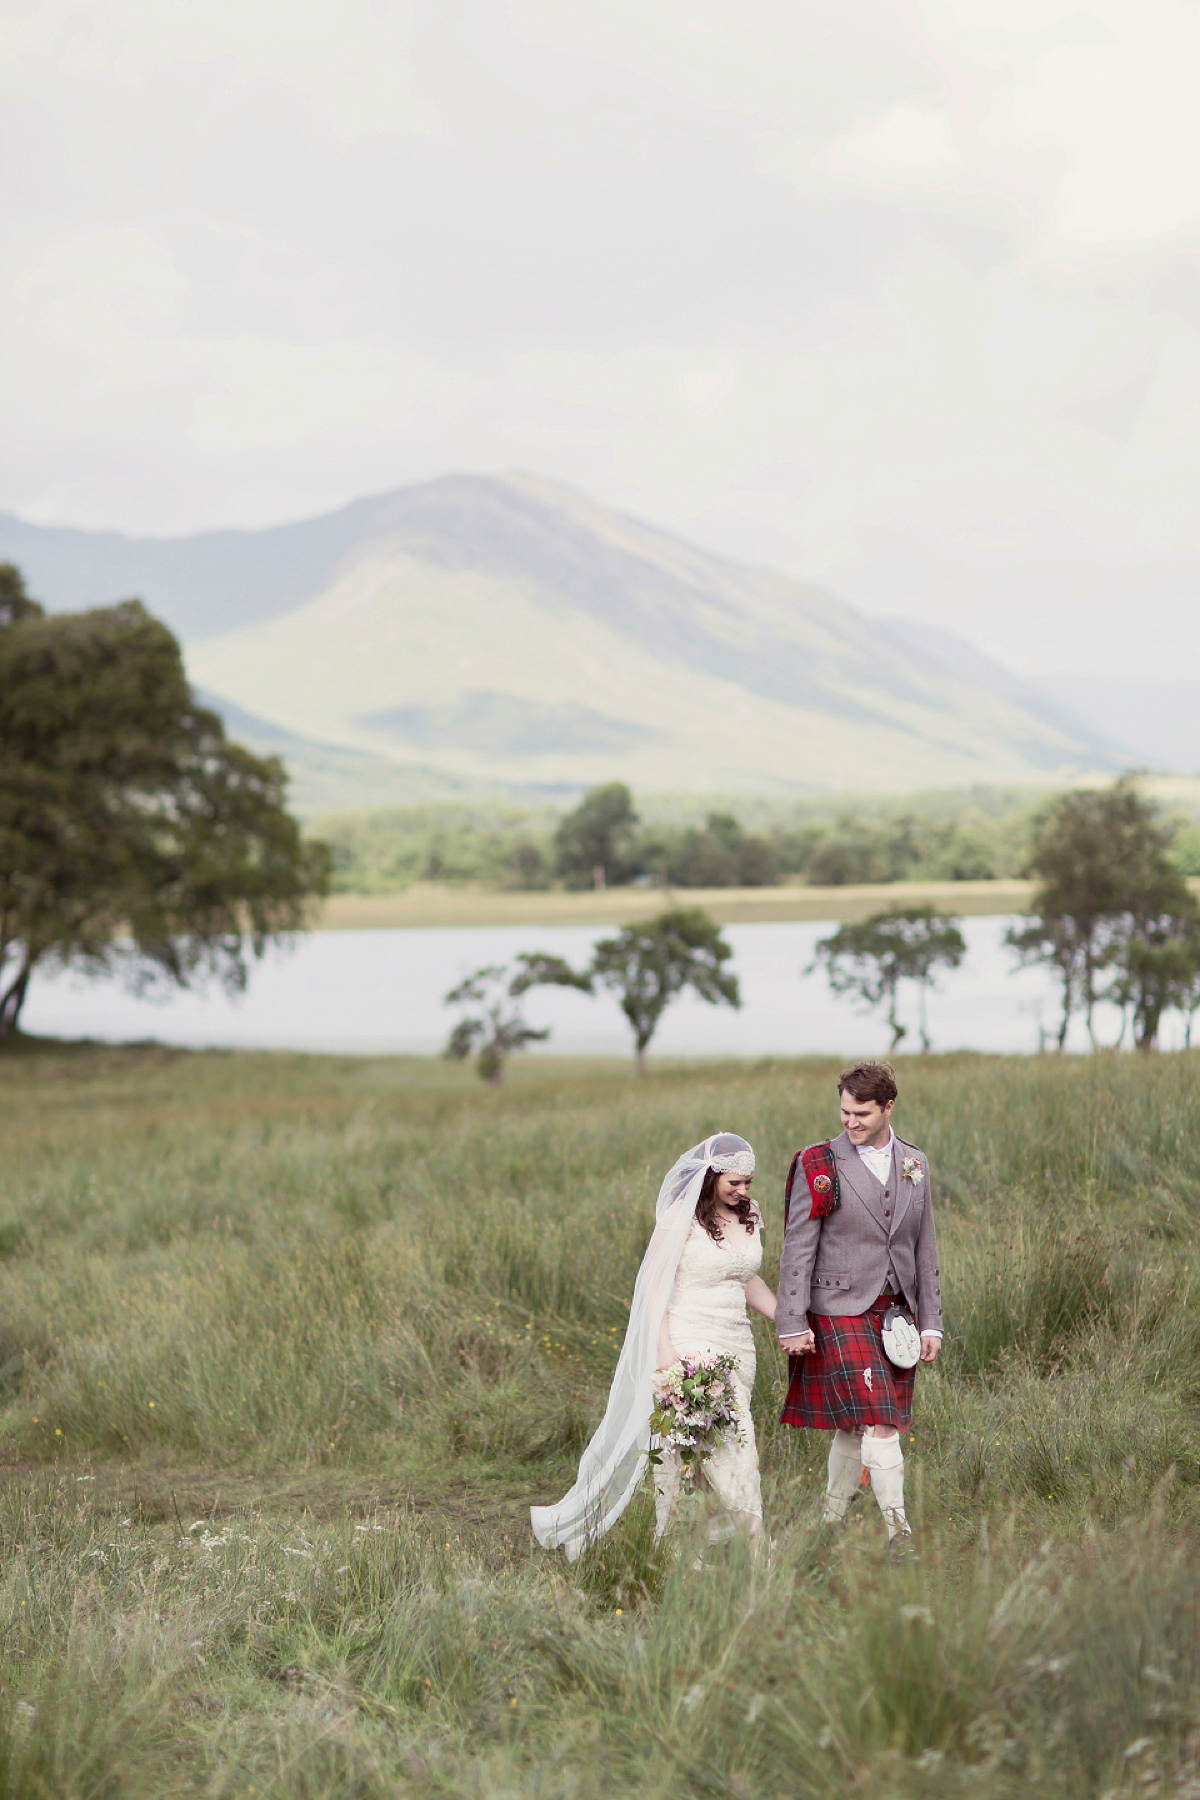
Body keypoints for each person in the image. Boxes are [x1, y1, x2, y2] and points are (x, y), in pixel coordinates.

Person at [531, 1133, 777, 1558]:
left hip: (739, 1343)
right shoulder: (681, 1220)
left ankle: (688, 1555)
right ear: (711, 1176)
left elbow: (744, 1277)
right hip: (689, 1342)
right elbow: (650, 1287)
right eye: (733, 1183)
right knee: (725, 1447)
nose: (742, 1192)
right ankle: (757, 1552)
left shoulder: (751, 1213)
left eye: (748, 1183)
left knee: (700, 1457)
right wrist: (665, 1352)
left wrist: (788, 1320)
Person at [776, 1062, 942, 1564]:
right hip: (837, 1309)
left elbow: (925, 1247)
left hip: (896, 1315)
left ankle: (829, 1524)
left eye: (862, 1113)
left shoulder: (915, 1162)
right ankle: (900, 1536)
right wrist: (792, 1320)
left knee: (855, 1426)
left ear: (889, 1106)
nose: (851, 1121)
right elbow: (797, 1249)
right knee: (880, 1420)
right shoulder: (818, 1163)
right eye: (845, 1111)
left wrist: (931, 1320)